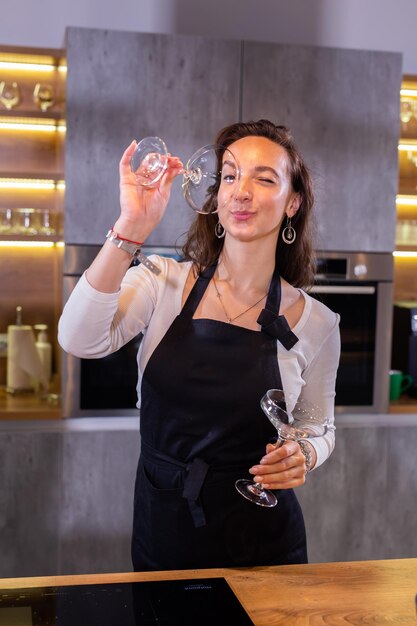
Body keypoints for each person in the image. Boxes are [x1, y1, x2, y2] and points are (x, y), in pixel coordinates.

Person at [58, 119, 340, 571]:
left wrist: (304, 454)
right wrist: (132, 225)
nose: (240, 191)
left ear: (293, 203)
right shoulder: (161, 282)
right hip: (165, 528)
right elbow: (78, 338)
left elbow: (317, 427)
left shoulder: (317, 322)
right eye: (230, 175)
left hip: (265, 544)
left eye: (263, 178)